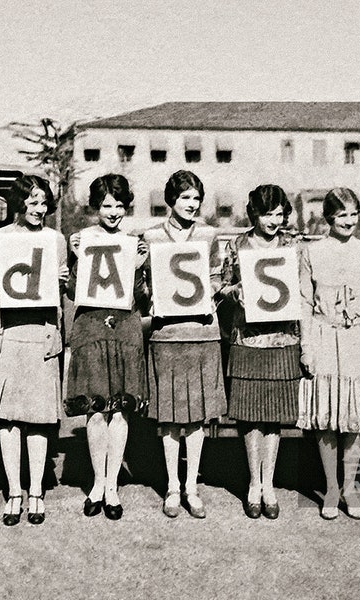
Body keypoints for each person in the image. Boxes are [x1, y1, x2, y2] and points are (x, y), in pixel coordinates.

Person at [0, 175, 68, 526]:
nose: (39, 209)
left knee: (39, 419)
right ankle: (14, 490)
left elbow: (63, 288)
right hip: (6, 336)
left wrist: (62, 280)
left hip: (41, 335)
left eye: (44, 202)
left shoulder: (55, 239)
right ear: (19, 203)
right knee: (8, 419)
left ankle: (35, 491)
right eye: (32, 202)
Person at [143, 170, 226, 519]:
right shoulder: (149, 237)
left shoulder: (209, 235)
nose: (191, 205)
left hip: (202, 333)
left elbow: (218, 279)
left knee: (195, 419)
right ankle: (172, 487)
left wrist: (213, 293)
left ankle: (192, 486)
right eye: (185, 198)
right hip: (166, 335)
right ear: (171, 200)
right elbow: (142, 285)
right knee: (169, 418)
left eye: (196, 199)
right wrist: (152, 295)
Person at [298, 187, 360, 520]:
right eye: (341, 214)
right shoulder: (312, 251)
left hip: (359, 338)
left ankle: (350, 487)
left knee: (354, 418)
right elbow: (305, 302)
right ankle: (331, 487)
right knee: (326, 417)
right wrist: (306, 347)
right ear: (329, 217)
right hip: (323, 336)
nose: (348, 221)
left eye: (353, 214)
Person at [66, 174, 148, 520]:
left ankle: (113, 484)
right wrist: (75, 259)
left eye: (119, 205)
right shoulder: (83, 241)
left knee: (120, 410)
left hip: (124, 329)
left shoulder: (134, 243)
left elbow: (142, 298)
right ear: (95, 208)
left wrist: (141, 268)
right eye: (106, 206)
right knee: (96, 410)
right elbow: (71, 292)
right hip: (91, 328)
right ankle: (98, 482)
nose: (113, 212)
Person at [218, 185, 300, 519]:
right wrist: (234, 290)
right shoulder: (236, 245)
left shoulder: (292, 246)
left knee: (274, 417)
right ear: (254, 214)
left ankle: (270, 484)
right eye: (267, 214)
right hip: (248, 340)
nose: (274, 221)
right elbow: (221, 286)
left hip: (282, 340)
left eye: (279, 214)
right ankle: (254, 482)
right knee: (250, 415)